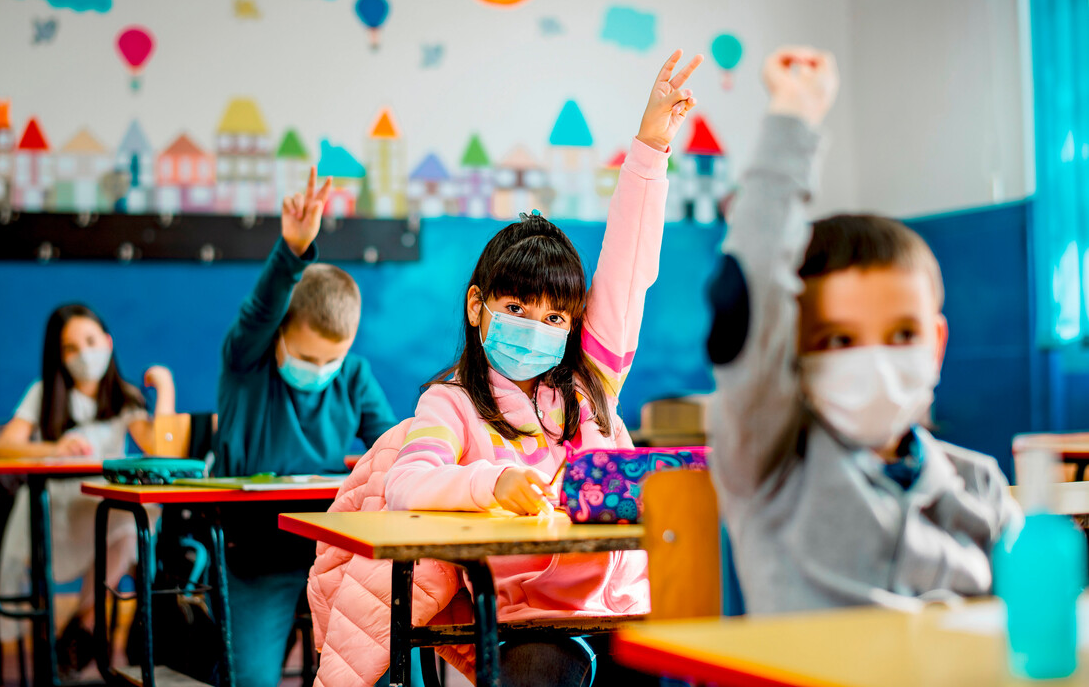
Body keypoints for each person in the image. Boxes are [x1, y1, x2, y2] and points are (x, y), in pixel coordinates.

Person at [310, 49, 703, 687]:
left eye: (555, 318)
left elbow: (630, 265)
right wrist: (488, 485)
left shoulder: (590, 384)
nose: (536, 327)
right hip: (527, 623)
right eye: (517, 307)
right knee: (541, 668)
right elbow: (409, 485)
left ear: (575, 326)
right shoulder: (452, 405)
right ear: (477, 306)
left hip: (618, 608)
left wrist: (652, 143)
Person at [706, 46, 1021, 614]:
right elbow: (749, 292)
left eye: (902, 334)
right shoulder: (772, 465)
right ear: (791, 351)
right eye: (839, 340)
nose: (875, 359)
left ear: (937, 345)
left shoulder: (981, 488)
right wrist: (794, 118)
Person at [214, 172, 397, 687]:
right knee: (249, 679)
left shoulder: (354, 375)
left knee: (376, 666)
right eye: (306, 355)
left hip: (335, 553)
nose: (319, 370)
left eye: (331, 359)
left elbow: (390, 444)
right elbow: (259, 311)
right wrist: (293, 250)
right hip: (255, 555)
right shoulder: (246, 364)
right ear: (279, 336)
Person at [0, 303, 175, 674]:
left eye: (90, 341)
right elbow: (3, 445)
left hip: (102, 510)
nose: (83, 354)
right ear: (58, 356)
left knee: (133, 521)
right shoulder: (43, 393)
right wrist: (53, 448)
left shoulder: (124, 397)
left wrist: (166, 387)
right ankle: (86, 628)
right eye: (70, 348)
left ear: (107, 342)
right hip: (54, 512)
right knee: (126, 523)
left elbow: (160, 447)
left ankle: (84, 622)